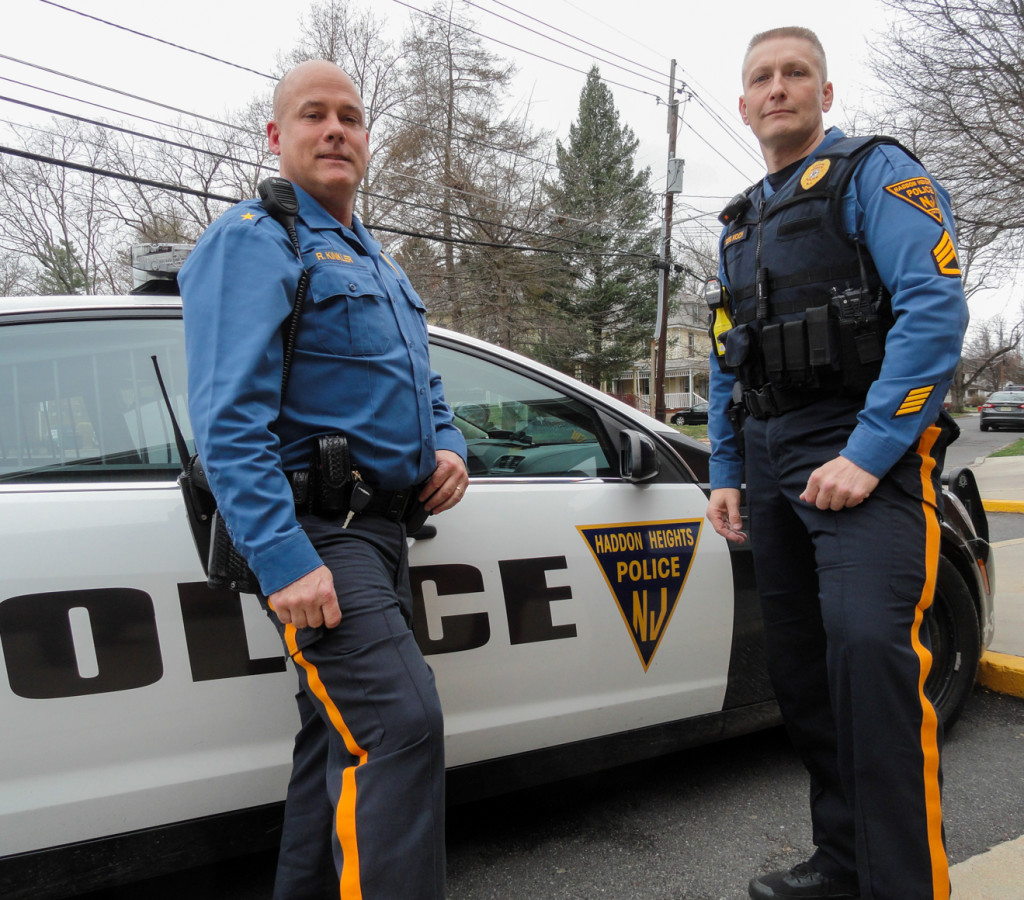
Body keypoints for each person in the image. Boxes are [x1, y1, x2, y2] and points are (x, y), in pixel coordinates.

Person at [179, 60, 468, 899]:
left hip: (381, 534)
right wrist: (282, 556)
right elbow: (228, 421)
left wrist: (446, 444)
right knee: (399, 726)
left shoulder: (376, 260)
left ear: (367, 140)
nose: (335, 129)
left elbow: (427, 384)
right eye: (314, 115)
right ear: (278, 137)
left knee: (337, 740)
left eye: (350, 116)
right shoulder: (253, 239)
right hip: (318, 538)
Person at [705, 27, 968, 900]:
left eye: (795, 74)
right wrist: (727, 471)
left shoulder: (876, 176)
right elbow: (725, 356)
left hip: (862, 452)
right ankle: (845, 863)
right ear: (743, 104)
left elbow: (933, 314)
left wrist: (869, 452)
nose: (777, 89)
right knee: (803, 671)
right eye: (761, 79)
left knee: (869, 658)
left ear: (824, 91)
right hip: (774, 457)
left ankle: (903, 884)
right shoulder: (741, 222)